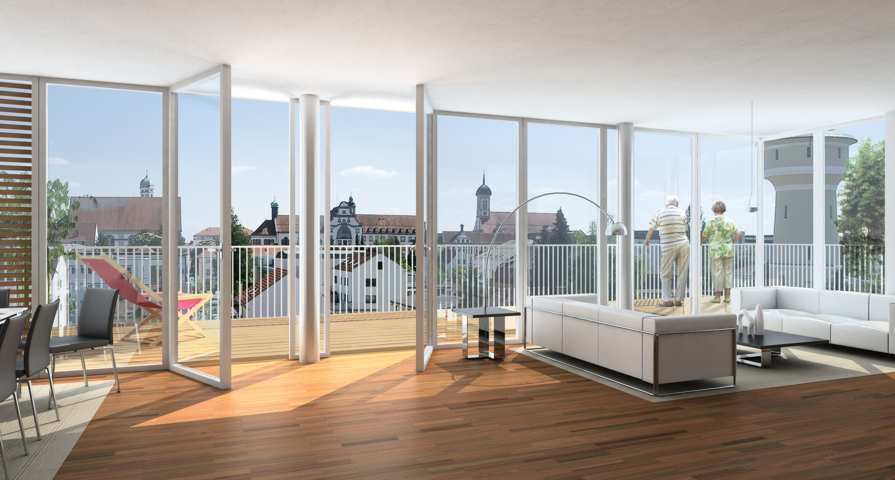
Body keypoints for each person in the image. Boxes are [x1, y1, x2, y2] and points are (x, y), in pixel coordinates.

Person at [644, 195, 688, 307]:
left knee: (665, 273)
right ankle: (678, 300)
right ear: (676, 204)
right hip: (683, 244)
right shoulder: (682, 212)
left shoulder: (660, 212)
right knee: (682, 272)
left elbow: (651, 227)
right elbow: (687, 227)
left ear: (667, 204)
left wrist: (647, 241)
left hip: (668, 245)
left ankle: (667, 300)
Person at [702, 200, 742, 304]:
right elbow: (738, 234)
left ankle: (717, 297)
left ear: (714, 209)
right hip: (728, 249)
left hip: (715, 250)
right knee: (728, 273)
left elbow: (704, 236)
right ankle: (728, 297)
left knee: (717, 273)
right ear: (724, 209)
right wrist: (732, 242)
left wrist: (700, 243)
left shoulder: (710, 222)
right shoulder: (730, 221)